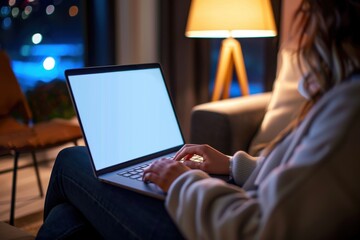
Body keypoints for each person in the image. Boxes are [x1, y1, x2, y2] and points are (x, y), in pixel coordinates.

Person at [37, 0, 360, 239]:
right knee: (71, 215)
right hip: (222, 211)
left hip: (209, 228)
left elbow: (258, 228)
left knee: (70, 161)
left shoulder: (349, 108)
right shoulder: (344, 99)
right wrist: (234, 165)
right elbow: (303, 179)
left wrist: (181, 181)